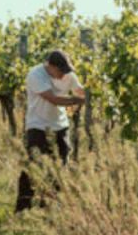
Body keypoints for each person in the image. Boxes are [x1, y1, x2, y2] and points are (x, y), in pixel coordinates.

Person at [15, 49, 85, 212]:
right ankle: (23, 208)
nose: (63, 76)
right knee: (34, 166)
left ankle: (51, 207)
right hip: (38, 126)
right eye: (60, 71)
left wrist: (88, 95)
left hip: (60, 125)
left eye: (66, 71)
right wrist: (78, 100)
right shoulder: (36, 75)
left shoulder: (67, 74)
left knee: (60, 166)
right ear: (50, 66)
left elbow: (80, 91)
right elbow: (53, 99)